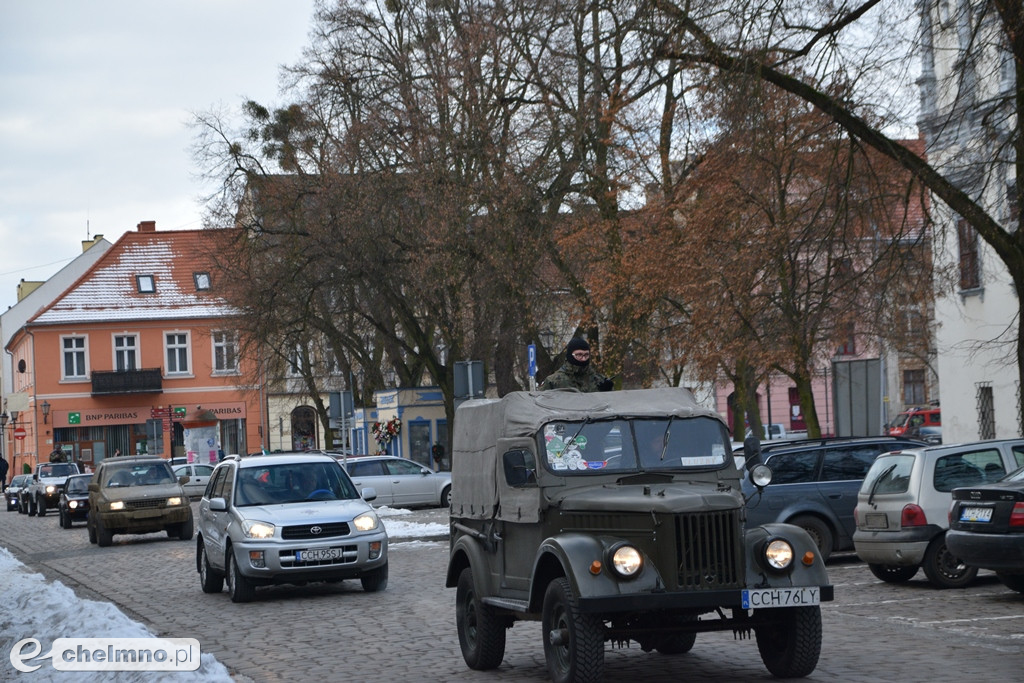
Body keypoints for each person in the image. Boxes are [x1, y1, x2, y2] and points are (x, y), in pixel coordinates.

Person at [540, 337, 614, 392]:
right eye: (579, 355)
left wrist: (608, 392)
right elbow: (539, 406)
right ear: (570, 355)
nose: (583, 359)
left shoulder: (598, 380)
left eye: (586, 355)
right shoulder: (554, 381)